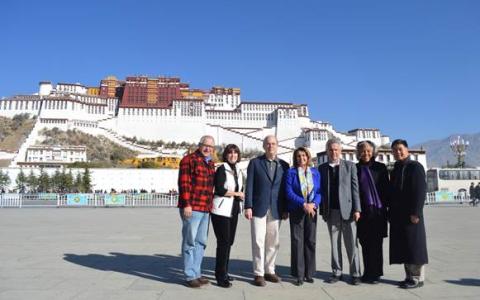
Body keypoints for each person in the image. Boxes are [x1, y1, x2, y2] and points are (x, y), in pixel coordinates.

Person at [244, 135, 289, 286]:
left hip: (277, 208)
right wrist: (248, 206)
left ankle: (270, 270)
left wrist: (285, 209)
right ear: (264, 146)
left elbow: (284, 189)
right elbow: (249, 185)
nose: (271, 146)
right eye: (268, 144)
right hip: (258, 207)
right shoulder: (255, 163)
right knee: (258, 240)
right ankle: (258, 273)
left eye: (273, 144)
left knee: (273, 242)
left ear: (278, 146)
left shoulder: (284, 165)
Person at [318, 137, 362, 285]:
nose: (333, 152)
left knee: (351, 243)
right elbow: (320, 191)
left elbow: (355, 189)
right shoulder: (322, 168)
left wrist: (357, 209)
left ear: (340, 150)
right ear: (327, 151)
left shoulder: (350, 166)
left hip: (349, 211)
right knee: (334, 244)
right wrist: (322, 211)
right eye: (331, 150)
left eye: (336, 149)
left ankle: (355, 273)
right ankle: (336, 272)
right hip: (331, 212)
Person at [177, 135, 216, 288]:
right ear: (199, 145)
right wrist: (186, 204)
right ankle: (189, 275)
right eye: (205, 145)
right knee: (189, 241)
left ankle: (197, 272)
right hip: (192, 207)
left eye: (211, 147)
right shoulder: (189, 160)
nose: (207, 149)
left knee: (201, 242)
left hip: (205, 208)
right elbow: (184, 183)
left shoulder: (211, 163)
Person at [389, 139, 428, 289]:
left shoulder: (415, 167)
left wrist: (416, 212)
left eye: (400, 149)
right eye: (394, 150)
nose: (397, 152)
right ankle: (408, 276)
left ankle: (417, 278)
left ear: (407, 150)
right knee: (405, 245)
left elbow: (420, 191)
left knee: (414, 246)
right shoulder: (397, 168)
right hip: (399, 215)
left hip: (412, 214)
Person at [284, 147, 322, 286]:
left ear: (308, 157)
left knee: (310, 241)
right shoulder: (291, 172)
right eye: (298, 156)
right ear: (295, 158)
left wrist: (314, 204)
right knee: (297, 241)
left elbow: (319, 191)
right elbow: (288, 192)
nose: (301, 158)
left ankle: (309, 273)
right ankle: (299, 274)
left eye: (304, 155)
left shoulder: (315, 172)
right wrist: (303, 204)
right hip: (297, 210)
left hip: (312, 210)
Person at [211, 144, 245, 288]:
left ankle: (224, 271)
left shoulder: (238, 169)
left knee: (229, 242)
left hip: (233, 210)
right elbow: (219, 189)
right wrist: (237, 194)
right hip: (221, 210)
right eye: (230, 153)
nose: (233, 155)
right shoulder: (221, 169)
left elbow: (241, 188)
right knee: (223, 243)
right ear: (226, 155)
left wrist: (241, 196)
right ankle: (220, 275)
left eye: (235, 153)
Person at [355, 141, 389, 284]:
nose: (366, 153)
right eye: (363, 151)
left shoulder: (380, 168)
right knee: (365, 243)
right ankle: (367, 272)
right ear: (358, 153)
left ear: (373, 152)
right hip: (362, 212)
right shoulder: (355, 168)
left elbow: (386, 190)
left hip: (378, 212)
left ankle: (376, 274)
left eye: (369, 151)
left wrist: (387, 209)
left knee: (376, 245)